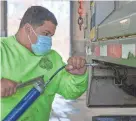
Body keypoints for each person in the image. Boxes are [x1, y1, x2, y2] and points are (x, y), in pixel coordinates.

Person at [0, 6, 88, 121]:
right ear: (28, 29)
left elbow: (70, 91)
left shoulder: (53, 58)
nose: (49, 40)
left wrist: (78, 76)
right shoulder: (2, 49)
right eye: (46, 34)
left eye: (51, 36)